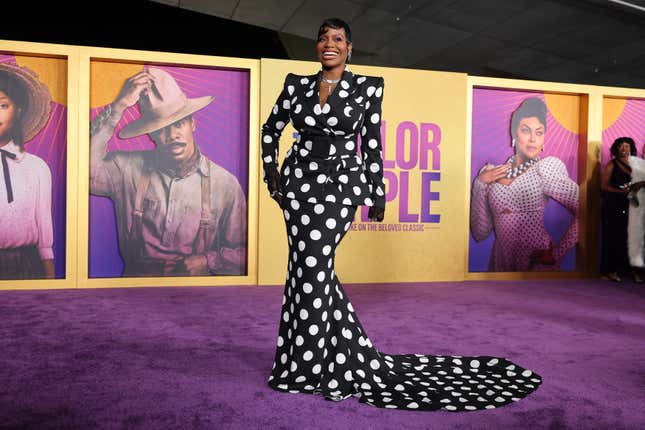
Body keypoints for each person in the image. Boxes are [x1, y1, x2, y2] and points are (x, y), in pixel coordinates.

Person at [261, 18, 541, 412]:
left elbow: (371, 144)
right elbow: (271, 129)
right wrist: (272, 172)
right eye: (323, 38)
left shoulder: (367, 87)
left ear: (349, 48)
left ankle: (307, 366)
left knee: (312, 267)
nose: (329, 44)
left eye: (338, 39)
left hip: (341, 187)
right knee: (307, 270)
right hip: (298, 188)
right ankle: (311, 359)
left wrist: (378, 193)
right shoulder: (296, 85)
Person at [90, 67, 247, 277]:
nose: (172, 135)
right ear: (151, 134)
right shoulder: (125, 169)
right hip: (135, 294)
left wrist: (209, 261)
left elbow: (246, 253)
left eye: (178, 124)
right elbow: (81, 170)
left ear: (193, 124)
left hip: (198, 296)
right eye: (161, 128)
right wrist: (119, 107)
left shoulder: (225, 184)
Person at [470, 97, 579, 271]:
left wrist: (557, 253)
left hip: (536, 263)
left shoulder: (545, 168)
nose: (532, 139)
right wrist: (480, 184)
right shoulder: (490, 173)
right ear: (514, 133)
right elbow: (480, 233)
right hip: (500, 263)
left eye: (539, 132)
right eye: (526, 130)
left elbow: (587, 208)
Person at [0, 62, 55, 279]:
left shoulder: (36, 167)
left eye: (2, 106)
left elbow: (44, 222)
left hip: (25, 265)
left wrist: (51, 276)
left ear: (19, 111)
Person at [600, 137, 643, 282]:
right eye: (621, 146)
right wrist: (621, 192)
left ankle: (631, 271)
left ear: (631, 148)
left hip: (632, 208)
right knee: (614, 239)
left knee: (631, 240)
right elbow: (604, 186)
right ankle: (611, 271)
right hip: (614, 207)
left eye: (627, 146)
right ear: (616, 149)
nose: (624, 149)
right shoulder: (612, 165)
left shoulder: (636, 165)